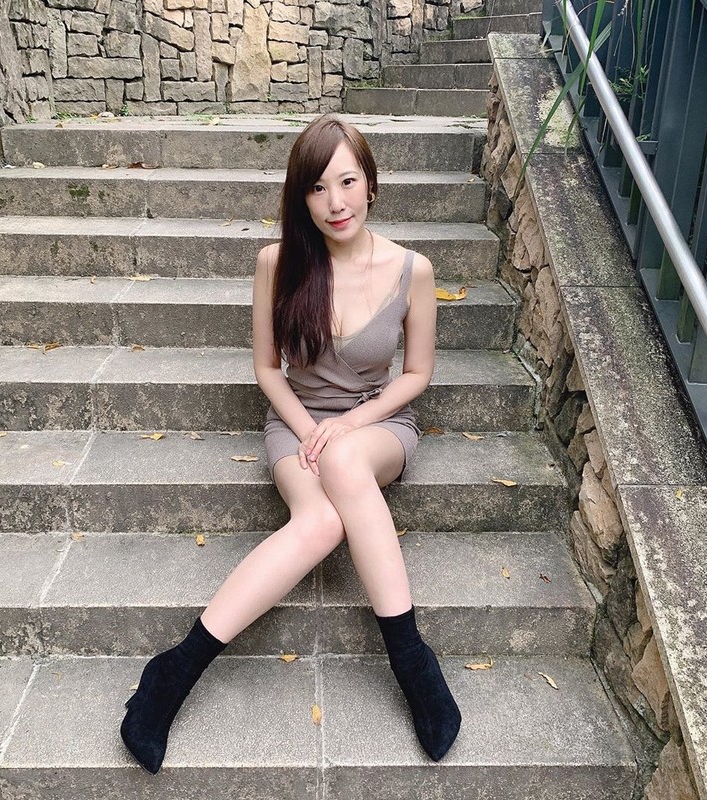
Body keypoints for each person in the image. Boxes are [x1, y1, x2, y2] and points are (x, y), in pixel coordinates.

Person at [120, 114, 461, 774]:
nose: (335, 202)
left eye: (348, 182)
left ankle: (410, 661)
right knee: (320, 524)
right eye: (317, 187)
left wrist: (349, 427)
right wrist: (310, 431)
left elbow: (416, 374)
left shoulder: (412, 269)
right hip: (297, 425)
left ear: (371, 184)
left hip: (377, 427)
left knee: (346, 460)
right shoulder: (278, 263)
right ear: (300, 197)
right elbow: (268, 370)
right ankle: (175, 670)